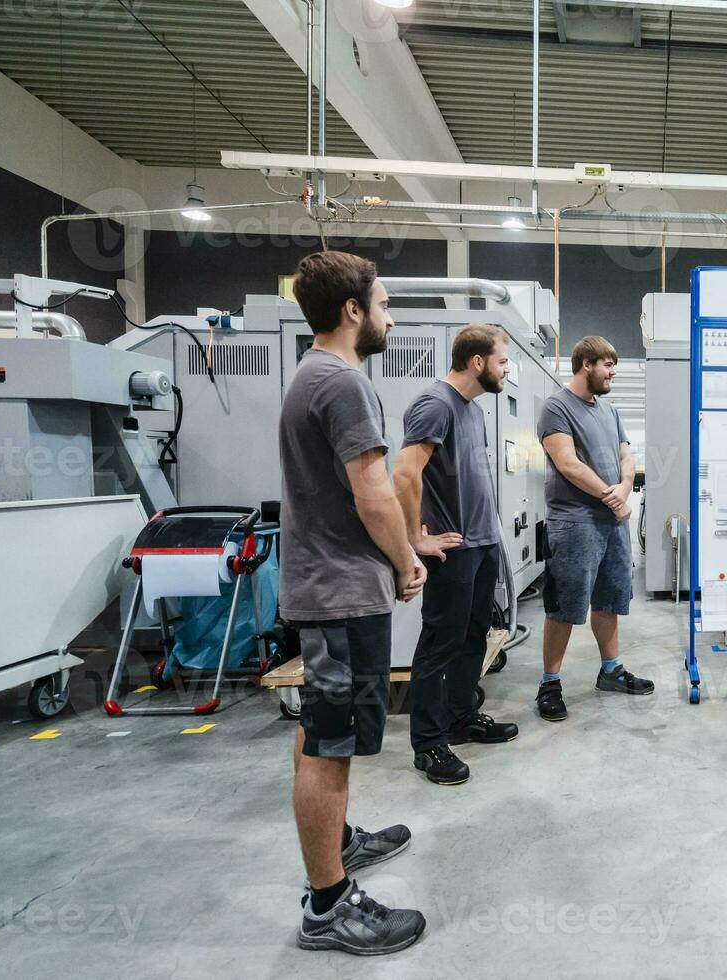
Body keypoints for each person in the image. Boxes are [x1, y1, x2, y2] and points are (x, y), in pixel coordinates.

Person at [281, 251, 429, 955]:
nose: (390, 316)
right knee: (331, 742)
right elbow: (373, 493)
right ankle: (327, 906)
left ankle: (337, 845)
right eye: (385, 304)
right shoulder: (341, 383)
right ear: (352, 311)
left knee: (325, 732)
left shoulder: (316, 375)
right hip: (340, 592)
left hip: (332, 588)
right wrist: (407, 560)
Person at [394, 324, 520, 786]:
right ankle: (428, 745)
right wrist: (416, 539)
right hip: (452, 548)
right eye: (503, 361)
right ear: (477, 362)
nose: (507, 369)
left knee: (474, 637)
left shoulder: (470, 409)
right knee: (440, 644)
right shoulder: (435, 404)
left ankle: (462, 716)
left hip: (483, 542)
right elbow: (405, 475)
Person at [535, 335, 653, 721]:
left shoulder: (609, 410)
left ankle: (611, 671)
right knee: (565, 606)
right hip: (574, 523)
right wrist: (612, 496)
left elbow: (626, 453)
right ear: (586, 364)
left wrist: (623, 488)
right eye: (608, 365)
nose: (613, 373)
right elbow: (567, 463)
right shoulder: (556, 408)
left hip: (611, 522)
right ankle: (550, 682)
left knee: (610, 598)